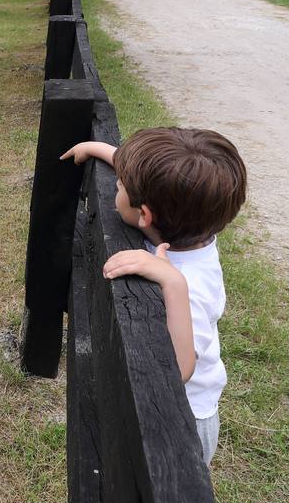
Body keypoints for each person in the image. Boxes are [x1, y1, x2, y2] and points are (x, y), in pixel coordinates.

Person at [60, 128, 247, 466]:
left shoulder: (189, 283)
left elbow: (178, 369)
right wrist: (99, 148)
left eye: (119, 186)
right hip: (162, 406)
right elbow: (142, 177)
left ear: (144, 215)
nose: (116, 184)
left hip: (184, 418)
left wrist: (172, 284)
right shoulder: (192, 228)